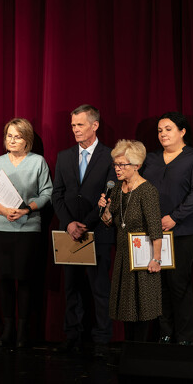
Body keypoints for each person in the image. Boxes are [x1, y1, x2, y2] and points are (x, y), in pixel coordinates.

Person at [0, 118, 53, 347]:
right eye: (9, 136)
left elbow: (47, 193)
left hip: (28, 228)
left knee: (24, 279)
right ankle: (7, 329)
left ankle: (23, 331)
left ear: (27, 140)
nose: (12, 140)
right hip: (0, 227)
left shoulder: (37, 162)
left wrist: (26, 209)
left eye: (17, 136)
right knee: (3, 280)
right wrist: (3, 210)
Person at [141, 111, 193, 345]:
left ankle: (184, 339)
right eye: (160, 130)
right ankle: (165, 333)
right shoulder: (150, 159)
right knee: (158, 284)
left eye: (168, 129)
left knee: (178, 284)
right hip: (153, 231)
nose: (163, 134)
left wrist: (175, 217)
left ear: (182, 132)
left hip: (181, 232)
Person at [52, 104, 116, 355]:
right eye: (73, 125)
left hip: (97, 232)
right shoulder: (64, 156)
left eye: (79, 125)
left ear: (95, 125)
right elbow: (57, 194)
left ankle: (101, 339)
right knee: (71, 289)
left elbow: (109, 196)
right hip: (69, 233)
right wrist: (69, 223)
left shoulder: (110, 156)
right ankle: (72, 335)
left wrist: (86, 224)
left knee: (99, 289)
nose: (75, 130)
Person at [99, 140, 162, 341]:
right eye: (115, 165)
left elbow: (155, 228)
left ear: (136, 165)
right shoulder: (117, 189)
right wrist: (104, 208)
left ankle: (140, 353)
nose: (117, 169)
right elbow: (110, 222)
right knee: (126, 306)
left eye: (122, 165)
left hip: (143, 257)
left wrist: (157, 259)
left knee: (142, 306)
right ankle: (129, 352)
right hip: (123, 255)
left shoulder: (147, 191)